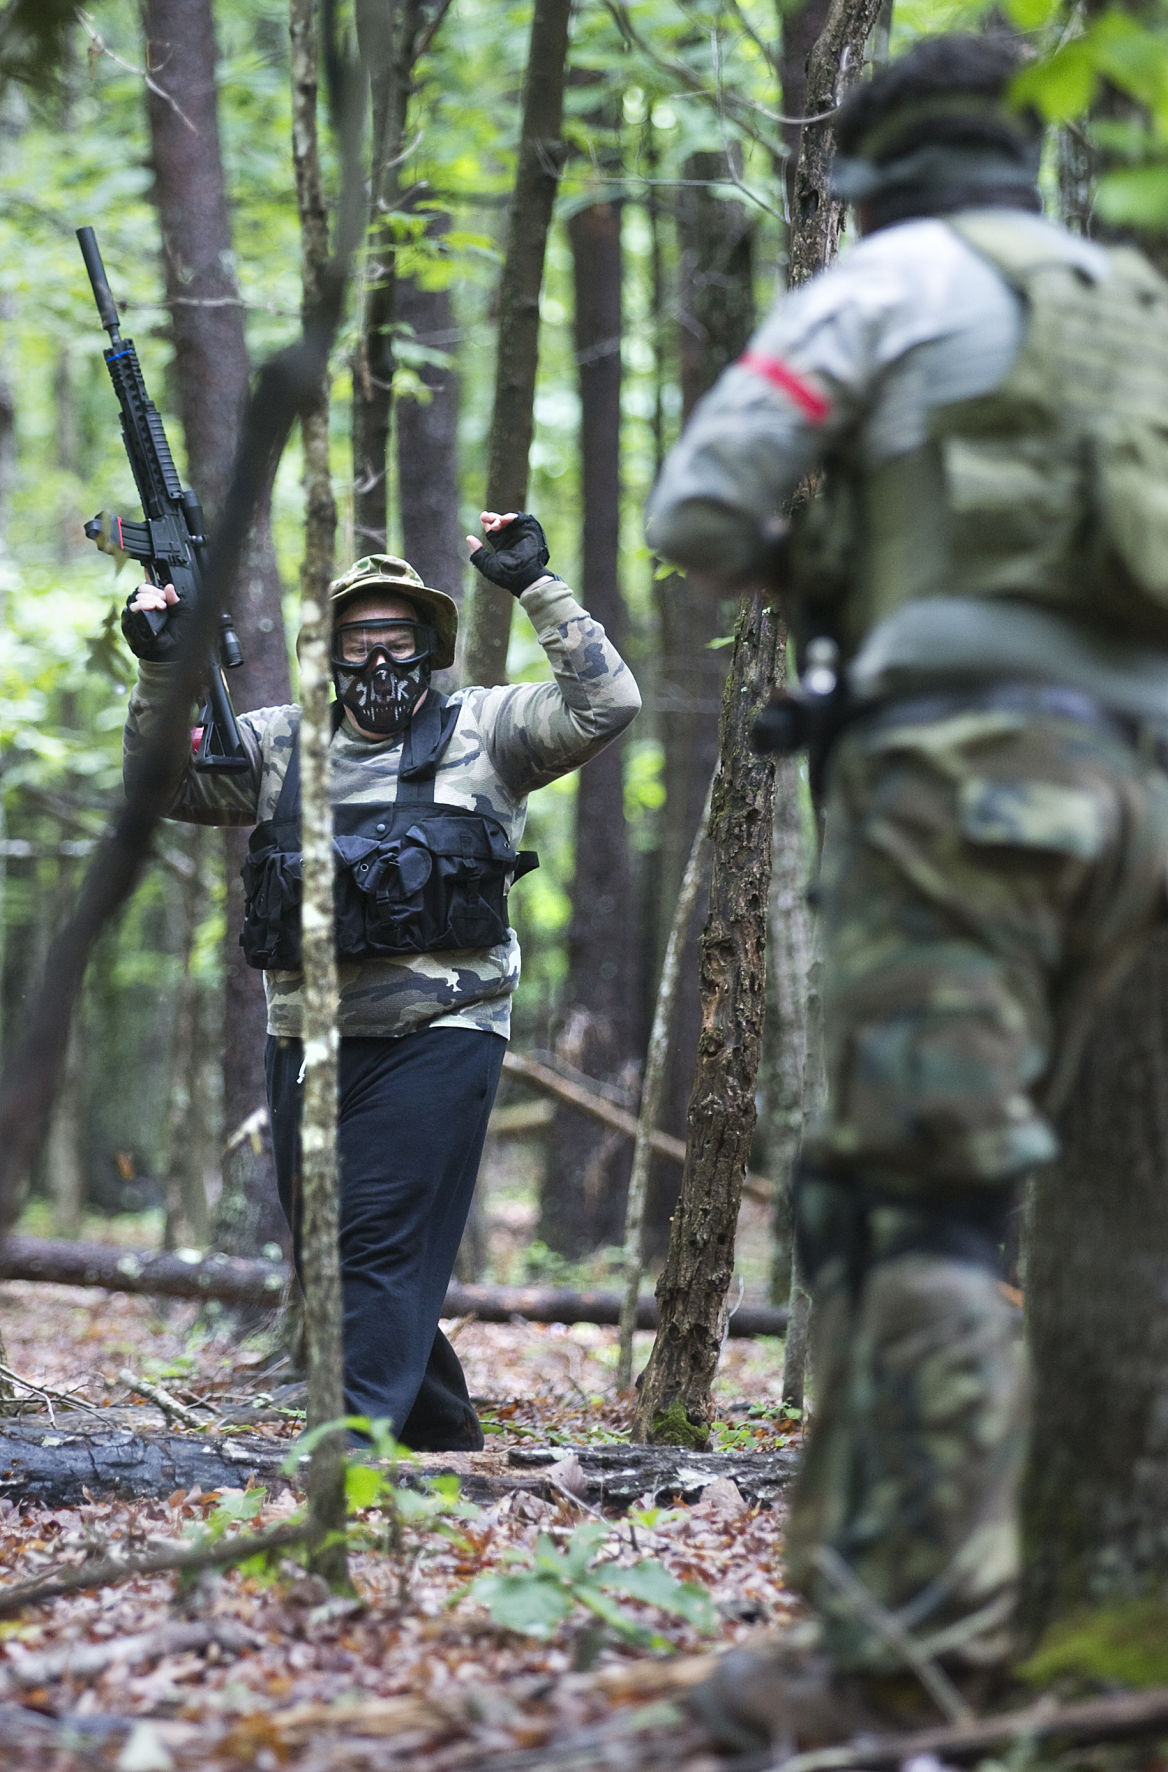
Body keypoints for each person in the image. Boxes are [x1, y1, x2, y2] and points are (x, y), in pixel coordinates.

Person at [645, 32, 1168, 1746]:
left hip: (960, 790)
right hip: (1126, 802)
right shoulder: (1129, 299)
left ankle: (915, 1657)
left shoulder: (885, 283)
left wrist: (837, 570)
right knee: (955, 1178)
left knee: (913, 1201)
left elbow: (699, 503)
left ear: (871, 177)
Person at [123, 511, 641, 1451]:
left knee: (373, 1239)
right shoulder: (278, 745)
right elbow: (162, 785)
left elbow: (608, 705)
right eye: (359, 644)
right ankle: (440, 1433)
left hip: (442, 1036)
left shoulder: (489, 730)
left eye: (398, 642)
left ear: (430, 649)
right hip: (307, 1041)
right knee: (331, 1254)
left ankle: (347, 1452)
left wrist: (537, 586)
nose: (380, 664)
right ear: (332, 656)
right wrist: (162, 666)